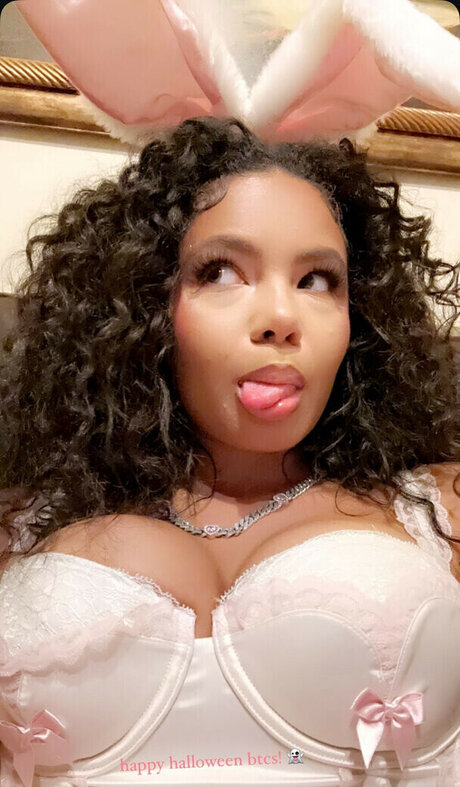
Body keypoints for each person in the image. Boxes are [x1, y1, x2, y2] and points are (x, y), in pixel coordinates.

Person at [0, 116, 459, 786]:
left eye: (317, 280)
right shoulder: (21, 526)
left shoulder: (439, 510)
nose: (281, 318)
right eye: (220, 272)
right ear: (146, 303)